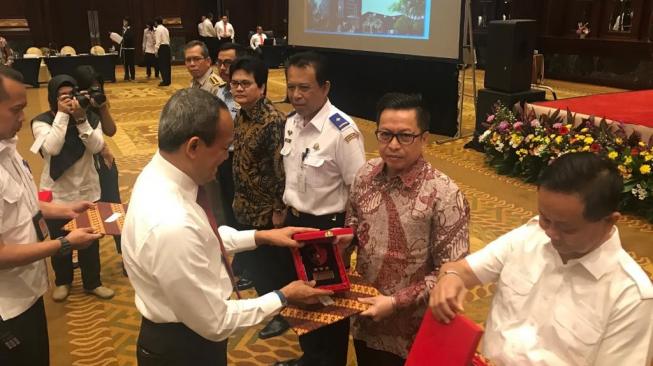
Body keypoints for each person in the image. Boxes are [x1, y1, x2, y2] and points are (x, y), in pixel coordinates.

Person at [122, 88, 333, 366]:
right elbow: (216, 321)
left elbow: (202, 237)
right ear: (194, 147)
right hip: (184, 348)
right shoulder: (171, 223)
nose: (227, 157)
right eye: (224, 148)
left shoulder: (159, 173)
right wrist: (284, 296)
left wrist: (262, 236)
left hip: (184, 331)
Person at [430, 152, 653, 366]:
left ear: (610, 221)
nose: (550, 233)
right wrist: (450, 277)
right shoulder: (530, 235)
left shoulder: (630, 296)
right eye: (546, 218)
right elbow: (463, 271)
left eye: (567, 228)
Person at [339, 93, 470, 365]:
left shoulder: (444, 194)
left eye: (405, 136)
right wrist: (341, 242)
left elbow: (452, 272)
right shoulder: (365, 175)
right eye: (385, 134)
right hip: (365, 315)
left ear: (424, 138)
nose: (393, 145)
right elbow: (353, 224)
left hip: (415, 329)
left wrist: (396, 302)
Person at [0, 65, 102, 366]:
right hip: (7, 304)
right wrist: (65, 245)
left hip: (29, 290)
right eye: (16, 109)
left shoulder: (9, 149)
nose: (23, 117)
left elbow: (26, 204)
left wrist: (66, 210)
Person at [274, 51, 366, 366]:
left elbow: (360, 190)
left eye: (305, 88)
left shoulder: (342, 131)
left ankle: (328, 361)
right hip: (293, 223)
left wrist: (348, 239)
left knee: (328, 306)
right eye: (291, 87)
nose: (296, 95)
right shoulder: (290, 122)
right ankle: (310, 357)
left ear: (325, 87)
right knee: (301, 300)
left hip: (327, 229)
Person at [31, 75, 114, 302]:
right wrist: (61, 115)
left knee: (89, 240)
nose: (69, 100)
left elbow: (97, 146)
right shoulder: (41, 121)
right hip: (56, 193)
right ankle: (63, 281)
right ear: (52, 98)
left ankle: (92, 282)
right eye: (63, 97)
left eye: (72, 94)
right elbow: (52, 148)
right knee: (59, 242)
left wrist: (80, 119)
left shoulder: (88, 117)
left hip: (87, 190)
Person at [229, 56, 287, 336]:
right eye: (235, 83)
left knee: (270, 266)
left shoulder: (272, 121)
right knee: (255, 262)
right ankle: (269, 301)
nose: (238, 89)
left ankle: (281, 313)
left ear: (262, 88)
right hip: (244, 204)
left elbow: (280, 168)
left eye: (246, 84)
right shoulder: (242, 113)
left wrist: (278, 208)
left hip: (266, 209)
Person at [73, 65, 125, 275]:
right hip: (79, 165)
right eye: (90, 89)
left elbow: (111, 130)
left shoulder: (99, 101)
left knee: (113, 207)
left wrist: (102, 107)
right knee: (81, 209)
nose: (93, 92)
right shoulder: (70, 104)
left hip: (103, 162)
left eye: (97, 87)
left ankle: (125, 254)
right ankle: (78, 252)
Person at [154, 16, 171, 86]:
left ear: (156, 22)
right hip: (167, 47)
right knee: (167, 65)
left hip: (162, 47)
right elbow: (168, 39)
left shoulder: (158, 29)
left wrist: (156, 51)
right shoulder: (165, 29)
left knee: (162, 65)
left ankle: (164, 81)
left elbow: (158, 41)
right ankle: (168, 80)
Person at [121, 17, 136, 81]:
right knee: (125, 63)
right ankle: (126, 75)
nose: (124, 23)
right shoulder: (123, 30)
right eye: (123, 21)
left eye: (125, 21)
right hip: (124, 49)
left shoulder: (131, 29)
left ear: (128, 22)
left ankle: (132, 76)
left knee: (131, 63)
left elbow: (130, 37)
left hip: (130, 49)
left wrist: (123, 37)